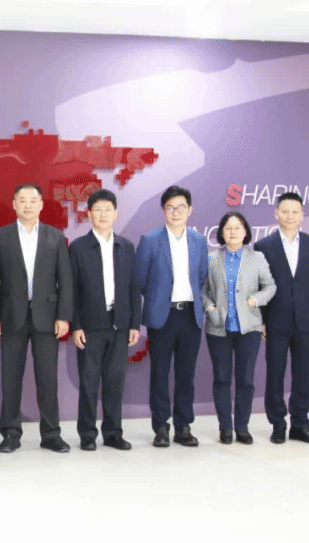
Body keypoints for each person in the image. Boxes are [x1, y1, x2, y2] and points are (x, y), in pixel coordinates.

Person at [0, 183, 73, 453]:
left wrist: (63, 316)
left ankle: (51, 435)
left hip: (47, 317)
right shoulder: (0, 237)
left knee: (48, 379)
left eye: (32, 200)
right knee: (10, 378)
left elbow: (65, 280)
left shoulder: (55, 237)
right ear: (14, 204)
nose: (27, 205)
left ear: (41, 205)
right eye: (22, 200)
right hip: (11, 316)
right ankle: (10, 434)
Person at [134, 185, 208, 448]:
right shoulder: (150, 240)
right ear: (163, 210)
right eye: (170, 207)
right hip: (162, 317)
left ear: (190, 210)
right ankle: (161, 427)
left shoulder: (199, 241)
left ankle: (183, 426)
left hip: (190, 316)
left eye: (181, 207)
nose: (176, 212)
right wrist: (158, 299)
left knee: (186, 374)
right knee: (160, 373)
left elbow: (201, 277)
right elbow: (140, 280)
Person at [68, 189, 141, 451]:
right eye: (97, 210)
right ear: (89, 214)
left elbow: (134, 288)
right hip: (90, 326)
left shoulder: (126, 247)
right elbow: (72, 290)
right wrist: (76, 325)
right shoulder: (78, 247)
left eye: (108, 210)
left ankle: (113, 433)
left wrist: (134, 324)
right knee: (89, 383)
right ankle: (87, 434)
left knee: (115, 383)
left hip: (119, 325)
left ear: (115, 214)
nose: (103, 215)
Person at [253, 192, 309, 444]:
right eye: (285, 211)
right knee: (275, 374)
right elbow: (259, 287)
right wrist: (261, 319)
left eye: (295, 212)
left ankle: (300, 425)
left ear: (302, 215)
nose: (290, 216)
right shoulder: (264, 246)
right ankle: (277, 424)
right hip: (276, 319)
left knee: (303, 375)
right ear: (276, 213)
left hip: (307, 320)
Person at [203, 211, 276, 445]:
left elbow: (270, 286)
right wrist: (210, 307)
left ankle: (242, 427)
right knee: (221, 378)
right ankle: (225, 427)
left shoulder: (257, 258)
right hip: (218, 328)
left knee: (245, 380)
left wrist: (256, 300)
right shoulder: (211, 259)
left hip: (249, 328)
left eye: (237, 227)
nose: (232, 232)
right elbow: (201, 289)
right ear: (221, 233)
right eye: (228, 228)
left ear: (245, 232)